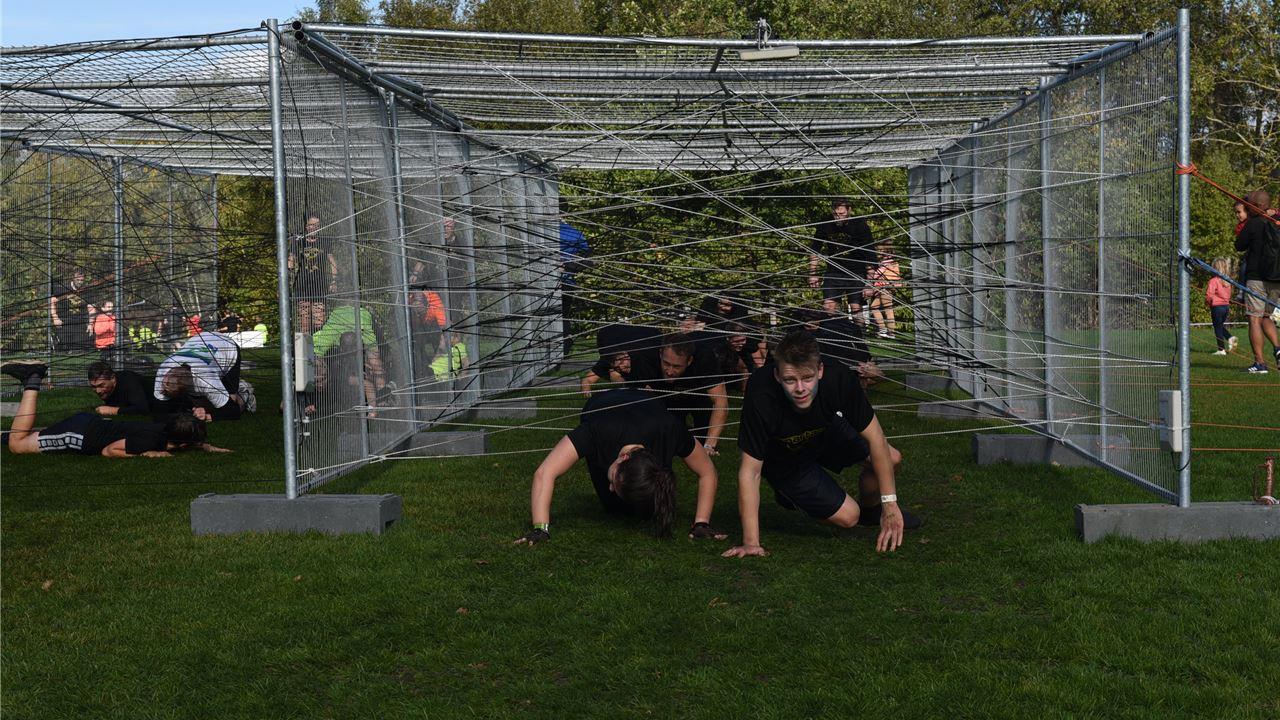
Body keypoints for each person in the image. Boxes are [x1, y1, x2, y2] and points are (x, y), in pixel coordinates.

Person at [723, 331, 920, 558]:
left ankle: (872, 512)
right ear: (777, 375)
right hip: (784, 455)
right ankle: (788, 493)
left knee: (892, 458)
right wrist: (751, 543)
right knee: (849, 517)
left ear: (820, 371)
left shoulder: (839, 378)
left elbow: (876, 438)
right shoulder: (760, 393)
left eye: (807, 378)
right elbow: (750, 471)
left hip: (825, 430)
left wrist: (890, 504)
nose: (800, 388)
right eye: (790, 380)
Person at [514, 389, 724, 545]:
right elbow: (545, 472)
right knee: (613, 507)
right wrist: (540, 529)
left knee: (638, 507)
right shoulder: (595, 430)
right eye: (614, 482)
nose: (611, 486)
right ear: (622, 457)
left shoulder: (670, 429)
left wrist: (701, 523)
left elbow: (708, 472)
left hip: (649, 407)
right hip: (603, 405)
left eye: (614, 483)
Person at [3, 362, 227, 457]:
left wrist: (208, 447)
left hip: (89, 424)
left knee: (32, 436)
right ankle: (32, 379)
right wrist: (147, 454)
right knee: (18, 445)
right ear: (183, 444)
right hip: (80, 436)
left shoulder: (164, 428)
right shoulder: (149, 441)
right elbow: (109, 451)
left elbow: (186, 437)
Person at [630, 333, 730, 456]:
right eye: (666, 363)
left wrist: (709, 444)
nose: (670, 371)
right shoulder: (644, 356)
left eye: (677, 366)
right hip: (663, 393)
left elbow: (720, 401)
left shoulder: (704, 358)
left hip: (697, 393)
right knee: (668, 435)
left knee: (702, 435)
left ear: (690, 361)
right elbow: (637, 399)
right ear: (660, 353)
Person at [310, 302, 389, 416]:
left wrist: (373, 411)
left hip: (357, 320)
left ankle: (382, 399)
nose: (320, 383)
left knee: (374, 365)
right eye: (319, 381)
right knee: (374, 365)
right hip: (348, 319)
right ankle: (382, 399)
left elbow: (367, 384)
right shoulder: (330, 337)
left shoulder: (340, 374)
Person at [155, 330, 254, 420]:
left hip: (227, 347)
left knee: (231, 401)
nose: (163, 389)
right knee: (201, 404)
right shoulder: (165, 369)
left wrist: (207, 417)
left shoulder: (206, 380)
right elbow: (161, 407)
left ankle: (245, 394)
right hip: (203, 338)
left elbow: (233, 412)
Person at [1233, 189, 1280, 373]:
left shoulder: (1253, 223)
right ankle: (1278, 349)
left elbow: (1239, 245)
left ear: (1258, 206)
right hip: (1277, 279)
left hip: (1257, 278)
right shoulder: (1277, 220)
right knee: (1266, 316)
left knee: (1254, 319)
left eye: (1250, 204)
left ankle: (1260, 363)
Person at [809, 198, 876, 316]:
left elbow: (870, 253)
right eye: (835, 214)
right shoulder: (826, 223)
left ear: (849, 210)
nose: (838, 218)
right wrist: (812, 273)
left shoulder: (859, 225)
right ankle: (830, 328)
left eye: (841, 214)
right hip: (834, 271)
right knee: (828, 306)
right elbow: (815, 248)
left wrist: (869, 283)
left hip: (856, 272)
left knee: (856, 308)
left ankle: (859, 329)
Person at [289, 215, 338, 333]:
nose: (314, 227)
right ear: (306, 226)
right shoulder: (299, 241)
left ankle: (318, 343)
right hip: (302, 285)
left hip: (320, 285)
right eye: (312, 225)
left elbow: (332, 262)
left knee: (319, 321)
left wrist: (334, 281)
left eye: (317, 225)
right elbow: (291, 261)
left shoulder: (324, 241)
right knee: (305, 323)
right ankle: (305, 344)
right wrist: (287, 278)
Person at [88, 361, 184, 417]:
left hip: (173, 408)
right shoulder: (109, 389)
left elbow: (142, 409)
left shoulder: (129, 381)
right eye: (93, 387)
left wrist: (113, 411)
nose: (98, 391)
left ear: (112, 378)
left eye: (101, 385)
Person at [49, 269, 92, 353]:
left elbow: (91, 308)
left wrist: (91, 324)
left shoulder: (86, 291)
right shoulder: (63, 289)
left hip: (79, 323)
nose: (80, 282)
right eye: (78, 280)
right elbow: (52, 301)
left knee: (79, 349)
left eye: (82, 280)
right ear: (73, 279)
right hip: (64, 322)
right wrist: (55, 317)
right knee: (65, 348)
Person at [867, 243, 900, 339]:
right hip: (882, 289)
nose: (878, 252)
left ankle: (890, 332)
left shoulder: (888, 263)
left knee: (888, 309)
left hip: (885, 288)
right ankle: (884, 329)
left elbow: (882, 275)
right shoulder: (887, 262)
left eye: (879, 250)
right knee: (874, 307)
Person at [1206, 258, 1237, 356]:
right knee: (1219, 326)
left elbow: (1209, 295)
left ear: (1214, 268)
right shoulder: (1228, 281)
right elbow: (1228, 295)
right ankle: (1230, 338)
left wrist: (1208, 302)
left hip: (1217, 307)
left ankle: (1221, 349)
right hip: (1225, 307)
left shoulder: (1213, 281)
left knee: (1217, 328)